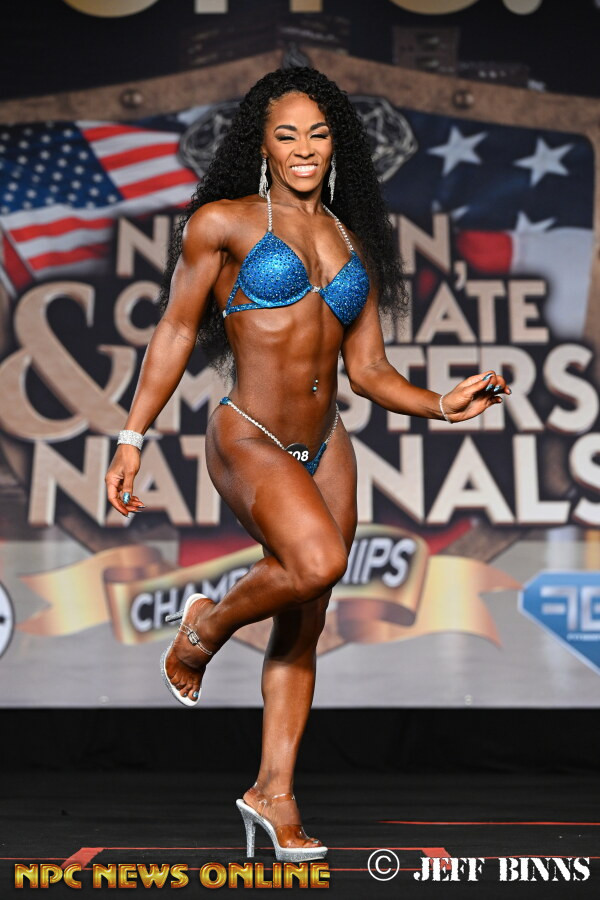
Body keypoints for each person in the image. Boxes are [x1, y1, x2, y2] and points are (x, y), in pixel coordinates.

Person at [104, 67, 509, 862]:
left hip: (327, 445)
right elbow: (176, 331)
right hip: (249, 434)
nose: (303, 148)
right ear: (261, 143)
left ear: (337, 146)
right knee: (316, 561)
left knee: (307, 615)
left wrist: (442, 403)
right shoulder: (223, 224)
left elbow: (371, 372)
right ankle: (204, 627)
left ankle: (274, 792)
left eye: (318, 134)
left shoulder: (351, 242)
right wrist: (131, 437)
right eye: (286, 134)